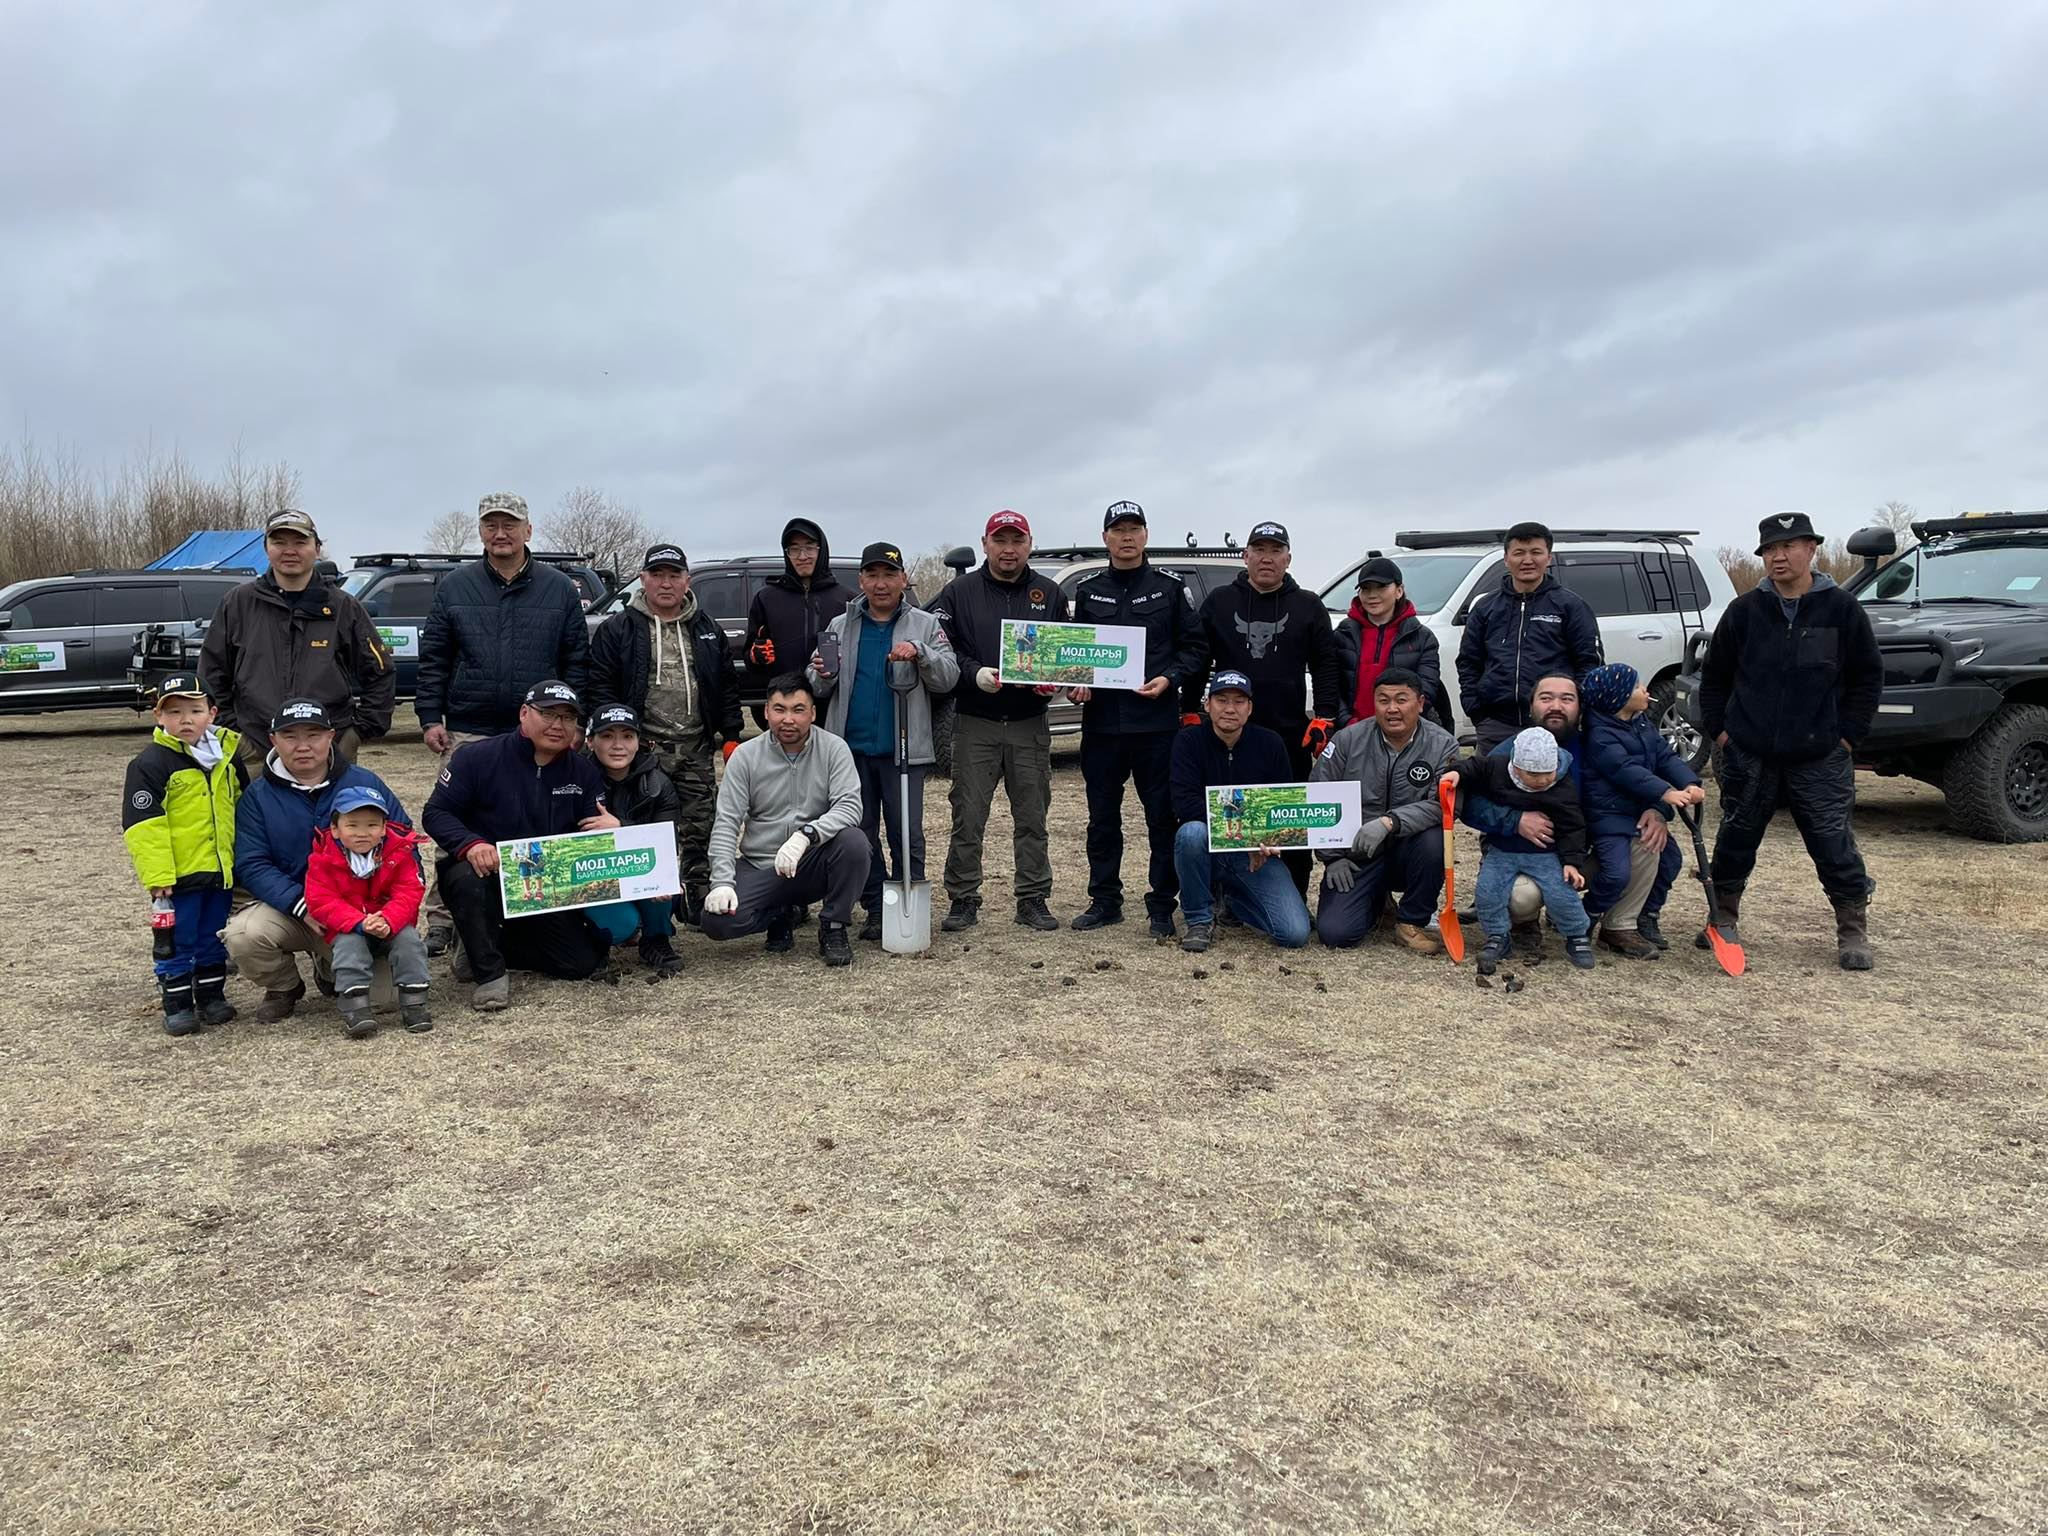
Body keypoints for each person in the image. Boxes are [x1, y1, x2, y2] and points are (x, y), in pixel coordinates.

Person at [1698, 511, 1884, 970]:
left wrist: (1847, 738)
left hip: (1820, 753)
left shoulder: (1842, 610)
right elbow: (1715, 678)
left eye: (1788, 546)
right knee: (1736, 838)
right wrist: (1723, 733)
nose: (1778, 557)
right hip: (1749, 752)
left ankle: (1852, 929)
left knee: (1832, 842)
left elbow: (1867, 678)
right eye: (1769, 549)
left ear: (1811, 549)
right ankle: (1722, 917)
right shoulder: (1744, 611)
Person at [414, 492, 592, 954]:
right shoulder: (455, 586)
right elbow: (435, 657)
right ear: (480, 532)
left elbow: (576, 660)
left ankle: (533, 914)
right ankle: (444, 918)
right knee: (456, 823)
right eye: (491, 525)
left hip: (540, 730)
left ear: (527, 530)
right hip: (471, 725)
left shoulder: (559, 588)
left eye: (509, 525)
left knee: (539, 819)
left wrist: (574, 722)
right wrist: (430, 716)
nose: (500, 533)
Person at [422, 680, 618, 1010]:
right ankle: (489, 973)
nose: (558, 725)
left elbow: (592, 837)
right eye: (548, 714)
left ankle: (480, 941)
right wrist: (470, 844)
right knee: (468, 879)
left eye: (568, 718)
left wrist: (614, 829)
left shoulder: (583, 772)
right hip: (484, 872)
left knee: (581, 963)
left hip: (543, 884)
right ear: (524, 713)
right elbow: (436, 813)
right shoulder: (477, 757)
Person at [807, 540, 961, 941]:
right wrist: (821, 673)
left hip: (904, 752)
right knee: (860, 832)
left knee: (905, 833)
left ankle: (910, 898)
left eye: (889, 574)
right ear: (861, 580)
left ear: (903, 579)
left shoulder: (925, 625)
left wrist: (921, 653)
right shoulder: (840, 626)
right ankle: (876, 907)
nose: (880, 584)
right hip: (850, 753)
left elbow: (949, 676)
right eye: (872, 575)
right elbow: (817, 686)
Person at [1460, 672, 1674, 957]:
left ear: (1580, 707)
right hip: (1530, 855)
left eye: (1567, 699)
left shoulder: (1601, 746)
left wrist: (1658, 809)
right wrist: (1515, 820)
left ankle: (1619, 926)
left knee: (1646, 840)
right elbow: (1469, 804)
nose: (1556, 706)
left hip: (1589, 850)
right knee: (1521, 895)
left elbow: (1648, 778)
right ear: (1531, 706)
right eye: (1546, 698)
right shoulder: (1511, 750)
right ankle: (1524, 923)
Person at [927, 510, 1070, 933]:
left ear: (1030, 544)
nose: (1009, 549)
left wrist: (1055, 681)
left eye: (1017, 540)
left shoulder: (1049, 593)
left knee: (1033, 816)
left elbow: (1063, 653)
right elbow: (944, 650)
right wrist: (974, 674)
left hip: (1029, 722)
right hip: (976, 720)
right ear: (985, 544)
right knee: (968, 815)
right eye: (1000, 540)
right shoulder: (959, 592)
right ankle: (963, 898)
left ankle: (1032, 898)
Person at [226, 698, 412, 1022]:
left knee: (384, 1001)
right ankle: (284, 987)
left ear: (331, 737)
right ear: (273, 740)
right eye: (290, 736)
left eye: (313, 735)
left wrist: (386, 909)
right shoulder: (257, 796)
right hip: (294, 909)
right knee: (243, 934)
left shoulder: (364, 783)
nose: (303, 746)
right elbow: (252, 863)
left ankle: (329, 967)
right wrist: (301, 905)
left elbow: (404, 844)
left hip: (357, 912)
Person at [1067, 500, 1204, 937]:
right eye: (1118, 530)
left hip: (1155, 725)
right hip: (1103, 726)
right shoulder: (1088, 590)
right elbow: (1075, 651)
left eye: (1134, 529)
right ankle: (1105, 900)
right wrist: (1076, 682)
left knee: (1161, 819)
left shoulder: (1169, 588)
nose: (1126, 537)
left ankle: (1162, 905)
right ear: (1105, 538)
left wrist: (1170, 678)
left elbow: (1195, 649)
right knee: (1102, 819)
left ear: (1145, 535)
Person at [1184, 521, 1340, 898]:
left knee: (1290, 819)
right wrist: (1189, 708)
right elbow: (1198, 658)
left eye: (1275, 551)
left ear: (1288, 558)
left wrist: (1325, 715)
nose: (1266, 558)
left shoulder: (1308, 605)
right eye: (1259, 550)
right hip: (1229, 732)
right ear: (1245, 556)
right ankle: (1223, 895)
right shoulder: (1220, 602)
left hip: (1289, 733)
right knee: (1228, 816)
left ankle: (1294, 895)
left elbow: (1326, 663)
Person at [586, 542, 741, 921]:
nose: (666, 583)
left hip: (695, 746)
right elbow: (601, 686)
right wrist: (612, 738)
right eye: (657, 575)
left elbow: (726, 685)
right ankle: (646, 901)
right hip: (641, 749)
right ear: (643, 579)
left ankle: (697, 900)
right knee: (644, 825)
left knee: (700, 825)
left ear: (687, 581)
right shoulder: (617, 629)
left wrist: (731, 734)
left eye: (674, 575)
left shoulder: (707, 629)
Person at [198, 507, 395, 769]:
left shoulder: (343, 607)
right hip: (255, 750)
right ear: (266, 548)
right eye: (279, 542)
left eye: (300, 542)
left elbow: (380, 672)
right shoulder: (237, 604)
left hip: (329, 751)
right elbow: (211, 675)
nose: (289, 551)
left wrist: (357, 732)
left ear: (317, 548)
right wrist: (233, 732)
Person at [700, 673, 869, 966]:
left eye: (798, 710)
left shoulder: (834, 748)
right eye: (779, 709)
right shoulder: (745, 756)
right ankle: (779, 914)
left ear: (812, 713)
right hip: (761, 865)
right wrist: (722, 882)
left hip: (812, 860)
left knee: (855, 842)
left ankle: (834, 926)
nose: (788, 719)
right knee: (716, 922)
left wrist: (806, 835)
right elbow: (727, 823)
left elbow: (850, 807)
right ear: (766, 711)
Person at [121, 674, 244, 1035]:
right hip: (178, 878)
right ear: (159, 716)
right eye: (174, 712)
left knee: (213, 936)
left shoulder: (226, 758)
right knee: (177, 941)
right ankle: (177, 1003)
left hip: (220, 873)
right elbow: (144, 826)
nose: (185, 720)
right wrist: (159, 876)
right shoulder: (149, 764)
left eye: (195, 710)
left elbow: (241, 808)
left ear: (212, 713)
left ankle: (211, 996)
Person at [1307, 667, 1459, 952]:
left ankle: (1410, 921)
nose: (1392, 709)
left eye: (1401, 699)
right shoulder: (1347, 740)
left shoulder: (1443, 744)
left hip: (1409, 849)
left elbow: (1445, 805)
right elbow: (1318, 793)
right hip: (1357, 854)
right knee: (1336, 934)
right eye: (1383, 700)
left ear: (1420, 703)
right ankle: (1377, 901)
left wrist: (1391, 822)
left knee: (1435, 840)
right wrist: (1332, 857)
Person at [1169, 671, 1312, 953]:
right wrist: (1246, 836)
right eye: (1221, 700)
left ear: (1250, 708)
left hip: (1255, 855)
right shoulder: (1187, 742)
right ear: (1207, 704)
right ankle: (1199, 918)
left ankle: (1233, 901)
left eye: (1238, 701)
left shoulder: (1271, 743)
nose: (1230, 709)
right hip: (1209, 848)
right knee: (1190, 833)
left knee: (1294, 933)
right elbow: (1185, 805)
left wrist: (1267, 841)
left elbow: (1280, 806)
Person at [1577, 663, 1705, 959]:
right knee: (1616, 872)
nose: (1645, 689)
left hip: (1637, 811)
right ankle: (1588, 913)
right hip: (1610, 816)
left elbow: (1664, 757)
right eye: (1636, 686)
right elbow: (1625, 770)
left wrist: (1690, 782)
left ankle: (1644, 915)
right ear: (1617, 697)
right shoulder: (1600, 735)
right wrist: (1666, 793)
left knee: (1670, 860)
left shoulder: (1641, 723)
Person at [1452, 727, 1595, 973]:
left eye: (1548, 773)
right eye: (1533, 774)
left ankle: (1577, 935)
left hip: (1546, 854)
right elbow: (1474, 766)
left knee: (1562, 893)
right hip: (1502, 851)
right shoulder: (1497, 768)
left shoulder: (1562, 785)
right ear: (1516, 766)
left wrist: (1572, 862)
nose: (1542, 780)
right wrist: (1455, 772)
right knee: (1488, 892)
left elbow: (1572, 826)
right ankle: (1497, 936)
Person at [1455, 522, 1603, 753]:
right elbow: (1468, 661)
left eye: (1536, 552)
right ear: (1506, 559)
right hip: (1496, 724)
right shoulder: (1486, 607)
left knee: (1554, 777)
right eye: (1519, 553)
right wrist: (1476, 709)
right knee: (1493, 776)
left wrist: (1574, 708)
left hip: (1553, 723)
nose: (1527, 560)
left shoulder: (1571, 606)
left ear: (1548, 558)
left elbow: (1589, 663)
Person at [302, 784, 431, 1038]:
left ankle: (415, 1004)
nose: (362, 833)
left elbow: (410, 891)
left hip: (390, 924)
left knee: (410, 942)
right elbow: (321, 900)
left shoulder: (400, 851)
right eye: (352, 825)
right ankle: (355, 1009)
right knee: (349, 946)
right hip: (349, 927)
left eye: (372, 825)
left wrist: (388, 919)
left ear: (383, 828)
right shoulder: (322, 859)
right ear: (335, 829)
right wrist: (359, 922)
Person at [582, 703, 686, 977]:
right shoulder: (575, 780)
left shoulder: (658, 784)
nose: (618, 745)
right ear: (590, 741)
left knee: (665, 879)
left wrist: (620, 827)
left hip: (640, 867)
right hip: (595, 874)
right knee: (619, 926)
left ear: (639, 742)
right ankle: (600, 937)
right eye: (607, 736)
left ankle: (656, 938)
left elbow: (666, 841)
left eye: (627, 736)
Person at [744, 518, 849, 698]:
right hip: (785, 702)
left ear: (821, 549)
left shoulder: (846, 600)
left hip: (832, 702)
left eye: (809, 547)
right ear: (787, 553)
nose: (802, 556)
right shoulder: (766, 599)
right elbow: (750, 657)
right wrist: (755, 657)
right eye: (794, 549)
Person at [1333, 557, 1442, 729]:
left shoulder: (1422, 637)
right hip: (1351, 731)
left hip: (1403, 732)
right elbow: (1330, 685)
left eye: (1381, 587)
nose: (1372, 595)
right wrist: (1348, 723)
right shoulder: (1342, 635)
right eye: (1366, 588)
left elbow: (1426, 690)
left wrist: (1393, 726)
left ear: (1399, 591)